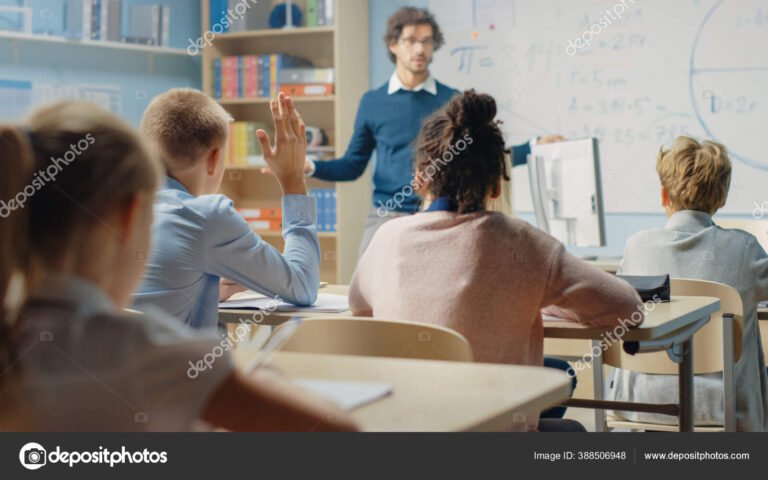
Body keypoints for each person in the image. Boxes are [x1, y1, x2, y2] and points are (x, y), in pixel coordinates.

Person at [0, 101, 356, 432]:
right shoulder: (148, 353)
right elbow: (337, 430)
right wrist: (257, 373)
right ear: (130, 217)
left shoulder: (18, 337)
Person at [348, 90, 643, 431]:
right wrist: (543, 298)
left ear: (419, 177)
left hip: (403, 429)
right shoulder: (525, 244)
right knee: (571, 424)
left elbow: (359, 308)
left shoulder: (386, 238)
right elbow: (629, 308)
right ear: (496, 186)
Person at [302, 7, 564, 255]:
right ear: (393, 45)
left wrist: (531, 147)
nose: (419, 49)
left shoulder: (452, 101)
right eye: (411, 40)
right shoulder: (372, 102)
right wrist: (310, 166)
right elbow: (352, 165)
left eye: (426, 41)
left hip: (442, 214)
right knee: (365, 285)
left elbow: (483, 156)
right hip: (386, 215)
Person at [609, 136, 768, 431]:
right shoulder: (744, 249)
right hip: (723, 407)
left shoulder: (637, 246)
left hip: (642, 402)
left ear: (663, 195)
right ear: (722, 198)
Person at [132, 90, 320, 330]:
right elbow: (303, 286)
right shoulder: (205, 216)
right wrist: (293, 180)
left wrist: (206, 288)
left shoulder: (116, 206)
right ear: (214, 159)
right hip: (177, 356)